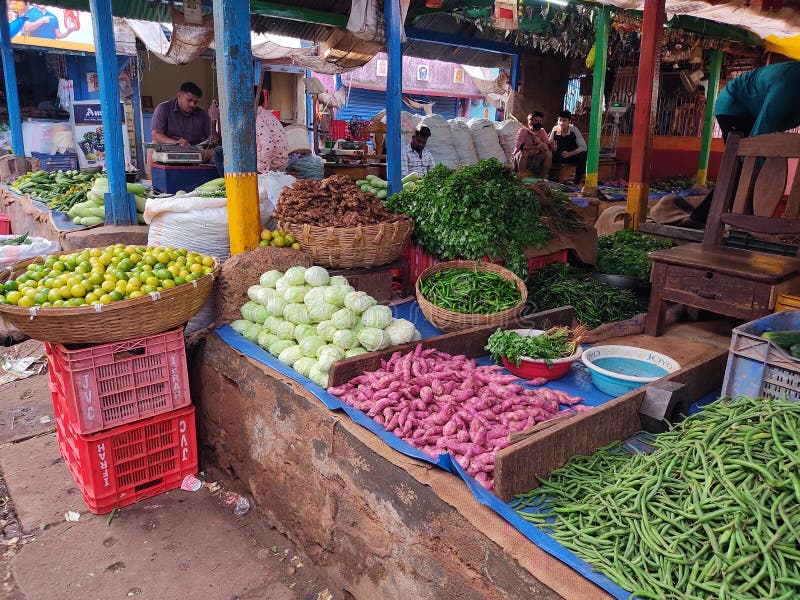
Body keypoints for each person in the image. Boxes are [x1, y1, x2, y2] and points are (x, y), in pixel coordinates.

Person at [688, 61, 800, 225]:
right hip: (734, 106)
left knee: (746, 171)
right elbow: (758, 140)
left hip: (756, 108)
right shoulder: (788, 89)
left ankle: (733, 217)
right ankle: (706, 218)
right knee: (743, 168)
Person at [214, 107, 289, 176]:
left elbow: (267, 146)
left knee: (219, 152)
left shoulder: (255, 117)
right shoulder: (266, 113)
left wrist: (259, 170)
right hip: (279, 161)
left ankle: (228, 185)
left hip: (272, 164)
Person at [151, 82, 212, 148]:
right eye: (189, 100)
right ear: (179, 96)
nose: (192, 105)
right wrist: (176, 143)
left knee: (215, 151)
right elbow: (156, 134)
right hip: (169, 147)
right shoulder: (163, 108)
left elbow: (210, 136)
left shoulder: (202, 113)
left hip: (194, 149)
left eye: (195, 102)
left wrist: (212, 138)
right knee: (152, 147)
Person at [548, 109, 587, 185]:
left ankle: (577, 182)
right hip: (560, 154)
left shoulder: (574, 130)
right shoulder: (555, 129)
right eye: (560, 120)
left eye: (564, 121)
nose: (561, 123)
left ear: (569, 122)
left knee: (583, 154)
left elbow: (583, 147)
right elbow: (551, 143)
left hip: (572, 156)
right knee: (547, 153)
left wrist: (570, 153)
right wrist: (552, 147)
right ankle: (547, 178)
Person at [513, 111, 552, 178]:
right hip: (521, 158)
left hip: (535, 159)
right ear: (530, 122)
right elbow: (520, 146)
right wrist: (536, 147)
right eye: (536, 121)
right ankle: (521, 176)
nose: (539, 123)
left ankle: (543, 178)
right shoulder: (522, 131)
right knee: (525, 152)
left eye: (540, 121)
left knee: (548, 153)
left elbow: (547, 145)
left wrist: (551, 146)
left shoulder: (542, 131)